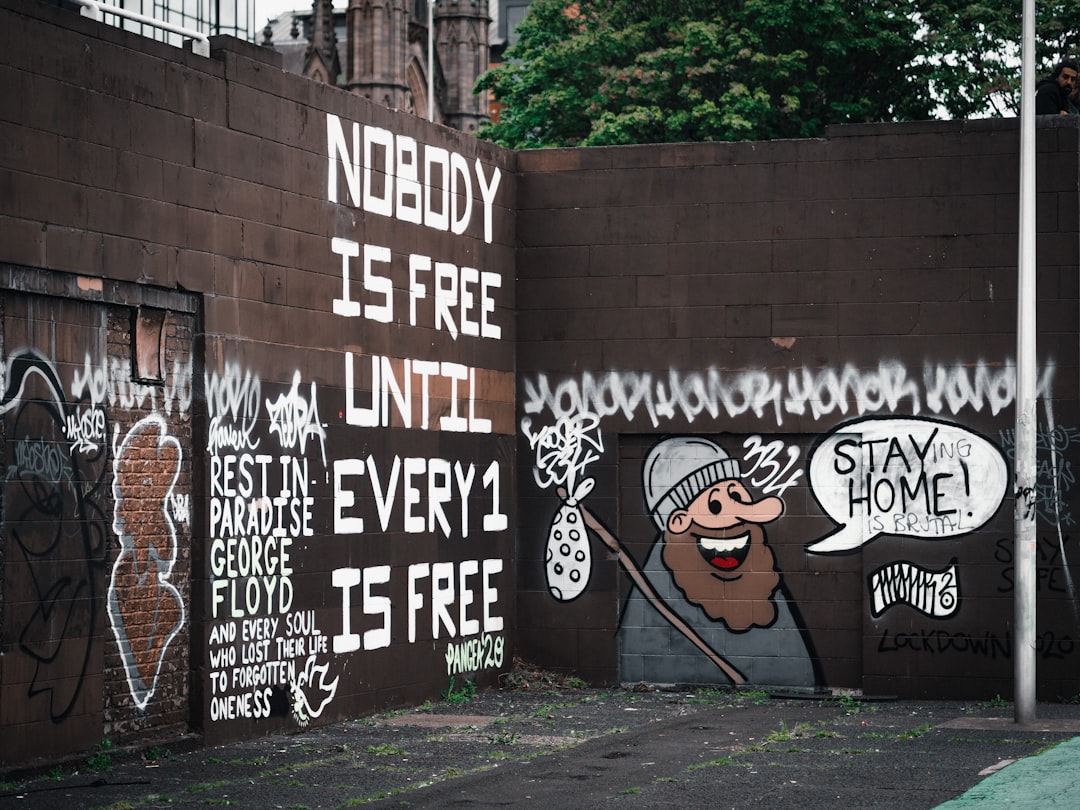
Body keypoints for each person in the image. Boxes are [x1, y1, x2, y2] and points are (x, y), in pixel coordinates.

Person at [579, 436, 817, 687]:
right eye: (716, 504)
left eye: (736, 493)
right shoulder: (655, 598)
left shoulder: (760, 578)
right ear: (678, 521)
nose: (737, 515)